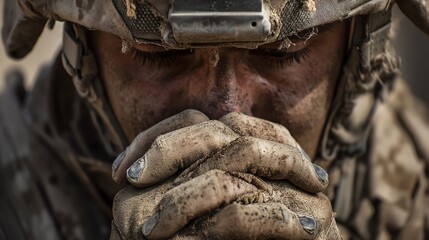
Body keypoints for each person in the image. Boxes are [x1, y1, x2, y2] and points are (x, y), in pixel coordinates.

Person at [1, 0, 428, 239]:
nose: (227, 111)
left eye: (286, 50)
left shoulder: (416, 201)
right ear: (85, 51)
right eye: (161, 55)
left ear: (358, 45)